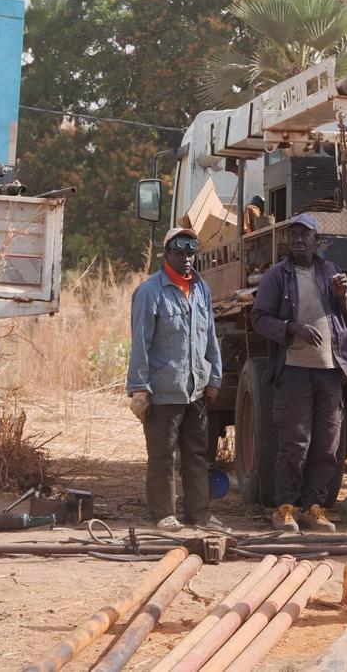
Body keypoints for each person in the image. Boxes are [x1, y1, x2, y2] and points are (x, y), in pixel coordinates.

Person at [251, 213, 347, 533]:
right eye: (294, 235)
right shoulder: (277, 276)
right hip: (294, 370)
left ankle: (314, 506)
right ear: (288, 241)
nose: (299, 240)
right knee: (295, 441)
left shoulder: (330, 272)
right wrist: (292, 328)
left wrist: (343, 296)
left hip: (329, 370)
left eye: (305, 235)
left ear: (317, 241)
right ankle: (285, 506)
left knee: (327, 443)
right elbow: (259, 318)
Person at [127, 228, 223, 532]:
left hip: (195, 391)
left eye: (190, 253)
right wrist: (140, 388)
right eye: (179, 253)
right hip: (164, 391)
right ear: (166, 254)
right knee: (162, 456)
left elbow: (210, 337)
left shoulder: (201, 289)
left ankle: (199, 514)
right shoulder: (150, 291)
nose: (186, 259)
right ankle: (163, 514)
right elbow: (140, 343)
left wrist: (214, 377)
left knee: (197, 455)